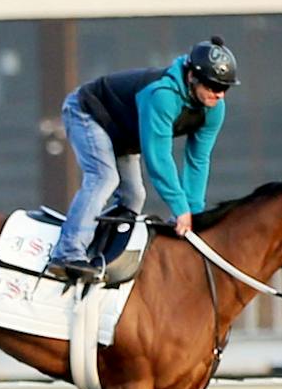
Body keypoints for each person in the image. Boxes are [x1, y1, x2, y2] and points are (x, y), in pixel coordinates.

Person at [44, 37, 237, 281]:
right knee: (104, 178)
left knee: (135, 196)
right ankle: (67, 253)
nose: (218, 94)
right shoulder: (162, 95)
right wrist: (179, 208)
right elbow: (158, 158)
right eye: (212, 85)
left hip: (124, 131)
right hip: (87, 111)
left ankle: (101, 254)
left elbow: (198, 160)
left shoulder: (215, 109)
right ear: (192, 77)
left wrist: (193, 214)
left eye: (224, 88)